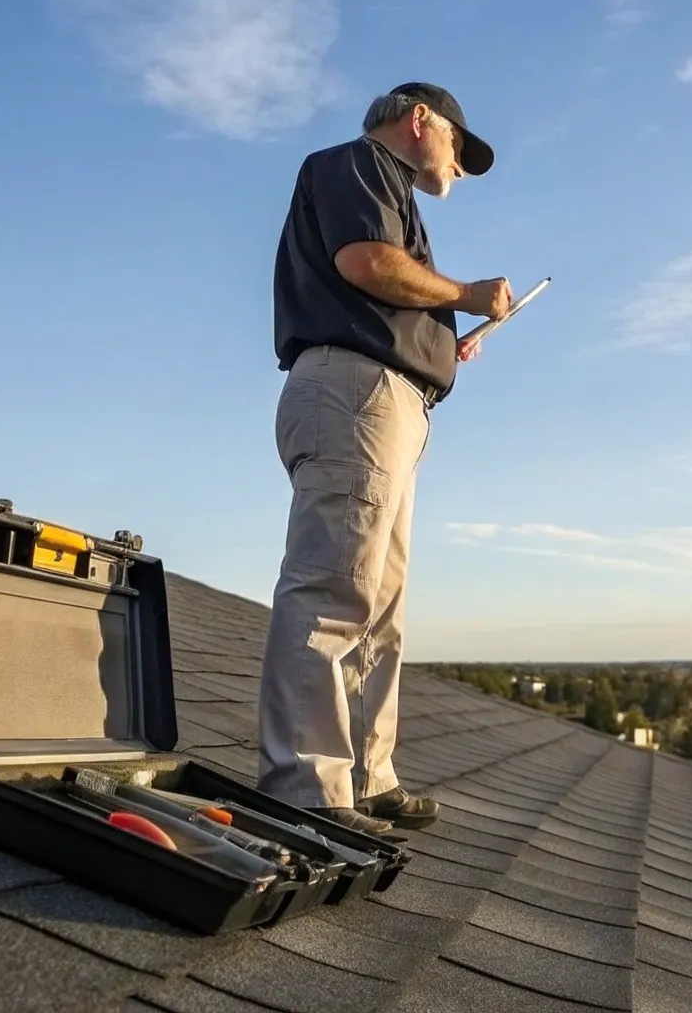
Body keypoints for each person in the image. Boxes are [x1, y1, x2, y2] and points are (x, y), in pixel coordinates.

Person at [256, 82, 510, 839]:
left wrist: (440, 337)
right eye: (460, 149)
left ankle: (367, 777)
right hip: (355, 396)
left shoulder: (386, 190)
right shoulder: (357, 165)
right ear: (419, 120)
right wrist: (463, 294)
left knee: (378, 605)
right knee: (336, 589)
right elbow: (368, 263)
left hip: (382, 401)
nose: (459, 168)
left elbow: (382, 281)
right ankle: (306, 789)